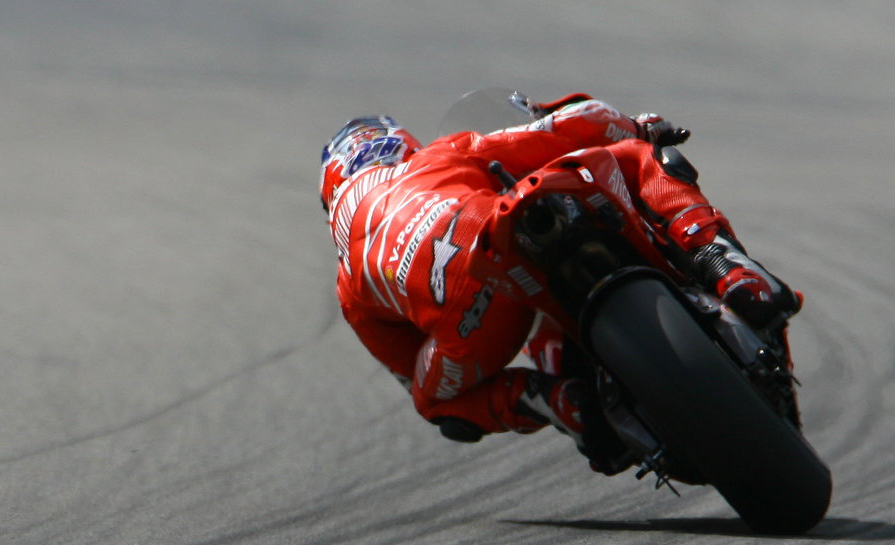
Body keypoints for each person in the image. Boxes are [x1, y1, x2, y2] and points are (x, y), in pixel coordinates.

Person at [321, 94, 799, 470]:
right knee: (633, 155)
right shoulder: (437, 156)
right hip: (495, 238)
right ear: (401, 147)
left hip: (476, 326)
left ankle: (552, 401)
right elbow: (572, 125)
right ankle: (724, 263)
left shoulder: (349, 288)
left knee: (433, 401)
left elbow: (419, 386)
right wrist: (638, 126)